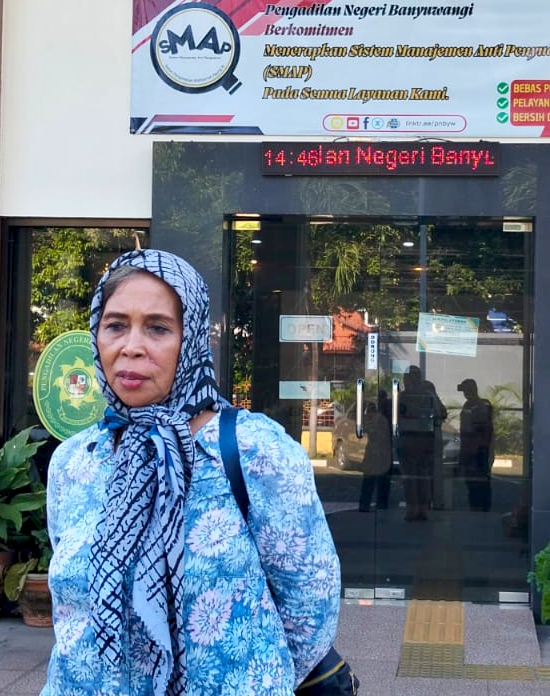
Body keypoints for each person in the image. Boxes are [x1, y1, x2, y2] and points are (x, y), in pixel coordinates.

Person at [41, 249, 341, 695]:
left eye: (158, 328)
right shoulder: (74, 461)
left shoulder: (253, 450)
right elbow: (70, 614)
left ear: (192, 338)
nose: (131, 346)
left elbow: (310, 608)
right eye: (116, 325)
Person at [397, 366, 446, 521]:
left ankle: (414, 509)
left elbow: (396, 416)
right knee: (422, 476)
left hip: (409, 438)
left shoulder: (402, 396)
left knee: (411, 477)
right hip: (424, 439)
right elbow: (440, 413)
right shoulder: (427, 396)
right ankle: (421, 508)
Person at [457, 379, 494, 511]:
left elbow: (471, 430)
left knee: (477, 483)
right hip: (476, 449)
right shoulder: (477, 405)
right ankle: (480, 508)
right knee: (477, 483)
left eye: (466, 390)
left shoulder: (476, 406)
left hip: (476, 450)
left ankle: (479, 508)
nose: (465, 393)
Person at [357, 391, 394, 512]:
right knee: (374, 479)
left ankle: (370, 505)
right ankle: (372, 505)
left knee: (376, 480)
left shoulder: (383, 418)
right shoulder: (379, 417)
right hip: (378, 451)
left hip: (380, 451)